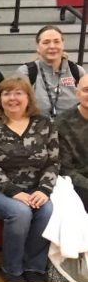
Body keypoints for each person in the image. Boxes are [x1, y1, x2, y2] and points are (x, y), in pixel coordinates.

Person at [0, 78, 58, 282]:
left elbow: (53, 161)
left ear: (28, 97)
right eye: (7, 93)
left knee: (47, 210)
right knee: (20, 212)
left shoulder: (45, 123)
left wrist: (44, 190)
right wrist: (13, 191)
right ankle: (12, 268)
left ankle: (35, 267)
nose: (13, 98)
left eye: (18, 93)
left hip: (34, 187)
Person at [15, 25, 86, 119]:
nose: (52, 46)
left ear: (63, 44)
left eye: (57, 42)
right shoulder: (26, 72)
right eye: (46, 42)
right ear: (37, 46)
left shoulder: (77, 71)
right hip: (37, 130)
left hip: (72, 130)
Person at [56, 73, 88, 209]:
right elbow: (66, 169)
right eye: (86, 90)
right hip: (77, 185)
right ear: (77, 93)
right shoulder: (62, 124)